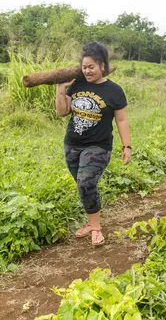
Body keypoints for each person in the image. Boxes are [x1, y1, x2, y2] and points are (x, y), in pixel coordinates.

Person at [55, 42, 131, 246]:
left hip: (99, 145)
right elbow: (62, 112)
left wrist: (127, 146)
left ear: (102, 67)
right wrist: (61, 87)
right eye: (84, 67)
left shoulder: (114, 90)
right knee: (82, 185)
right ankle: (90, 222)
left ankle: (96, 228)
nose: (87, 71)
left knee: (86, 182)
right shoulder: (77, 84)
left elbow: (122, 120)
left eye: (91, 67)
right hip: (72, 143)